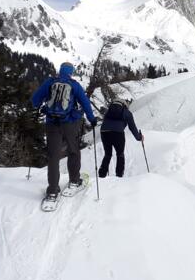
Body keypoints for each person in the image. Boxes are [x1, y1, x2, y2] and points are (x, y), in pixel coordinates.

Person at [31, 62, 97, 199]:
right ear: (70, 72)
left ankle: (53, 191)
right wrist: (92, 119)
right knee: (73, 151)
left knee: (53, 157)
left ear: (59, 70)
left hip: (51, 124)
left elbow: (35, 100)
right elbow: (85, 103)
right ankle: (74, 181)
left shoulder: (50, 82)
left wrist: (41, 106)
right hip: (70, 124)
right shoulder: (74, 85)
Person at [99, 99, 143, 178]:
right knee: (120, 154)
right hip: (118, 133)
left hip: (104, 132)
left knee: (107, 154)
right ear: (125, 105)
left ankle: (102, 175)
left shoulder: (109, 111)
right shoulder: (127, 112)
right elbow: (132, 127)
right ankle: (119, 175)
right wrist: (139, 137)